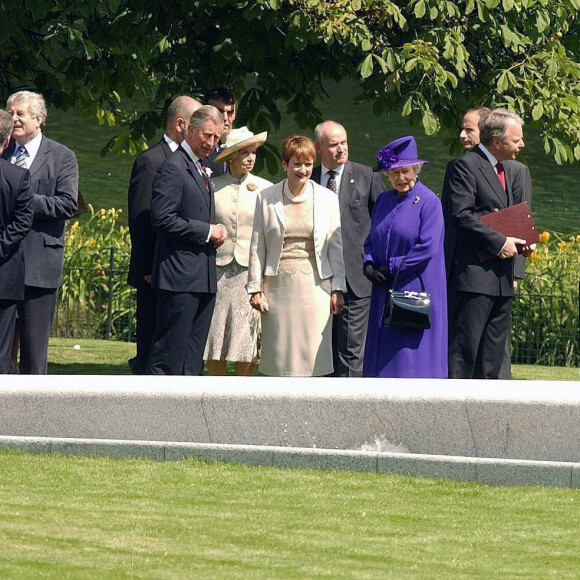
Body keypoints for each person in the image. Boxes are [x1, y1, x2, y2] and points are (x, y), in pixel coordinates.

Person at [444, 108, 534, 379]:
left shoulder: (506, 170)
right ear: (496, 142)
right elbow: (461, 216)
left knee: (493, 360)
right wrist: (499, 242)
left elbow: (505, 215)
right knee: (464, 355)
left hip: (501, 279)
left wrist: (524, 242)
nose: (522, 144)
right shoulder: (464, 166)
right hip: (473, 279)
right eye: (516, 139)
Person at [247, 135, 346, 376]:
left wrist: (337, 289)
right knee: (280, 355)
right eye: (297, 164)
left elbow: (336, 247)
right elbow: (257, 245)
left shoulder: (328, 198)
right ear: (285, 164)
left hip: (316, 286)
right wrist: (255, 288)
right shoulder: (266, 197)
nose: (303, 170)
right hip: (277, 287)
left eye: (308, 164)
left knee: (313, 356)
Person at [146, 105, 227, 375]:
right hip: (178, 278)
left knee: (192, 360)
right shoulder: (173, 167)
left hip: (202, 277)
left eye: (216, 138)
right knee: (168, 354)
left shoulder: (202, 167)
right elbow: (162, 219)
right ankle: (153, 411)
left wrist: (214, 233)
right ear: (190, 129)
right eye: (207, 135)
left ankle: (188, 413)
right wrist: (207, 231)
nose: (211, 143)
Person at [2, 91, 78, 374]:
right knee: (2, 350)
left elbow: (68, 204)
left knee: (34, 354)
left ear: (40, 119)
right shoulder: (2, 152)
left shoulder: (62, 157)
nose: (14, 119)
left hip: (39, 266)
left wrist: (22, 198)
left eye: (20, 114)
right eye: (10, 114)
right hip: (5, 262)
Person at [127, 96, 201, 374]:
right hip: (155, 271)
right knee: (152, 342)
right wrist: (147, 267)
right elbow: (141, 219)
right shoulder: (152, 160)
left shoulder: (194, 162)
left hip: (181, 271)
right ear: (182, 124)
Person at [362, 136, 447, 378]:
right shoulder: (383, 200)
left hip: (414, 286)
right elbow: (372, 238)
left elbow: (427, 247)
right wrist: (368, 264)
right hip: (383, 286)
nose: (400, 178)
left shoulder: (429, 202)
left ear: (416, 170)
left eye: (406, 171)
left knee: (409, 352)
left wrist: (391, 266)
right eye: (394, 173)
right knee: (382, 348)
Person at [311, 120, 384, 377]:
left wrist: (373, 263)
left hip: (356, 278)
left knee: (352, 351)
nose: (341, 149)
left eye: (344, 143)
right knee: (317, 350)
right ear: (320, 148)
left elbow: (382, 226)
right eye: (333, 145)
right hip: (315, 277)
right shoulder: (307, 177)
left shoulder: (368, 177)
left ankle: (351, 409)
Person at [203, 127, 272, 376]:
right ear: (230, 156)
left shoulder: (266, 189)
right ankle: (215, 387)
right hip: (217, 270)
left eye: (253, 152)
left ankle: (244, 391)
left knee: (246, 337)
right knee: (217, 335)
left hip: (249, 272)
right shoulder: (211, 186)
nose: (251, 158)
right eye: (244, 153)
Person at [0, 110, 34, 373]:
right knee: (2, 348)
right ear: (7, 141)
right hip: (5, 272)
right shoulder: (18, 177)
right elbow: (22, 223)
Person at [203, 87, 238, 177]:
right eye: (219, 111)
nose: (225, 118)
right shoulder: (197, 146)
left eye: (230, 112)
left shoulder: (239, 147)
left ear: (235, 114)